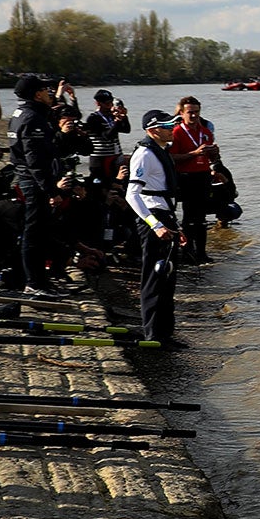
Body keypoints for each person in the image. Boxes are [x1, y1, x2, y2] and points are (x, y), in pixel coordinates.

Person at [124, 109, 185, 346]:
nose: (172, 129)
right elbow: (132, 195)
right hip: (153, 218)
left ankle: (165, 334)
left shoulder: (161, 151)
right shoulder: (144, 154)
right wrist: (156, 225)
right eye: (167, 125)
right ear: (153, 130)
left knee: (167, 277)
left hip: (165, 216)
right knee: (154, 276)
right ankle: (152, 334)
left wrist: (175, 226)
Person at [7, 74, 65, 294]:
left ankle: (39, 280)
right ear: (36, 94)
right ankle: (34, 283)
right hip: (34, 184)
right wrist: (51, 190)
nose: (49, 93)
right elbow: (35, 160)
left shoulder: (20, 113)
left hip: (28, 180)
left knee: (38, 233)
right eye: (45, 89)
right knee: (35, 234)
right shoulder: (32, 118)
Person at [166, 95, 219, 263]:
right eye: (190, 112)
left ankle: (202, 253)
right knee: (189, 217)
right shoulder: (176, 132)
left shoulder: (205, 131)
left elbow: (213, 159)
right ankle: (188, 253)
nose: (194, 116)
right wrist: (194, 154)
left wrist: (214, 154)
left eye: (196, 112)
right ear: (181, 113)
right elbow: (170, 157)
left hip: (203, 175)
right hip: (185, 177)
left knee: (201, 217)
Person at [83, 90, 130, 182]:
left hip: (115, 154)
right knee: (101, 183)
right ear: (98, 103)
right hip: (100, 157)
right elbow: (107, 136)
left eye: (110, 102)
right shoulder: (93, 118)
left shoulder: (111, 116)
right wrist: (117, 121)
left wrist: (123, 117)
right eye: (106, 103)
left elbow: (126, 130)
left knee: (119, 181)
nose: (109, 105)